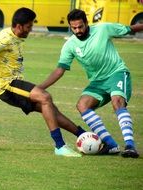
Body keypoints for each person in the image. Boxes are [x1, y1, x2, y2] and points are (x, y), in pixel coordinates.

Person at [0, 7, 86, 157]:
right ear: (19, 26)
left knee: (49, 109)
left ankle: (84, 136)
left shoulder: (16, 36)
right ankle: (60, 146)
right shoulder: (4, 38)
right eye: (29, 26)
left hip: (14, 83)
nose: (31, 29)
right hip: (6, 86)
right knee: (45, 97)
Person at [39, 9, 143, 158]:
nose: (78, 30)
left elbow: (130, 29)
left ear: (87, 23)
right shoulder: (70, 45)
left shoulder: (103, 29)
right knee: (82, 105)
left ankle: (130, 146)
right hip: (97, 82)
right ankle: (111, 144)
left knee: (117, 102)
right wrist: (39, 88)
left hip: (117, 73)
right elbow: (59, 70)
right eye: (74, 28)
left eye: (80, 26)